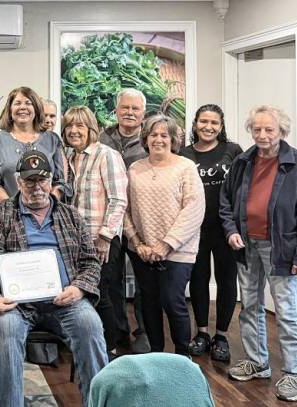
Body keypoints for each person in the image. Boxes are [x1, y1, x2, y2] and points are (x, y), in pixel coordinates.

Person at [0, 150, 107, 406]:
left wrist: (79, 288)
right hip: (17, 304)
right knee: (5, 329)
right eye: (29, 181)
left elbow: (91, 262)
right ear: (18, 181)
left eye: (42, 180)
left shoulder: (71, 215)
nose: (37, 187)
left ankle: (98, 403)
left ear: (51, 181)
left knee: (90, 325)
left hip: (65, 300)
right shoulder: (1, 213)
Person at [221, 105, 297, 402]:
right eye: (257, 129)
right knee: (250, 304)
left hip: (282, 249)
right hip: (246, 244)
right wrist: (231, 230)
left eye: (269, 130)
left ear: (282, 132)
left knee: (287, 312)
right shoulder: (242, 161)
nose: (262, 135)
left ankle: (293, 373)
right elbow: (226, 201)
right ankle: (257, 361)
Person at [122, 114, 204, 356]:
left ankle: (182, 355)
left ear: (173, 139)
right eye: (153, 135)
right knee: (149, 302)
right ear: (145, 139)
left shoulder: (185, 167)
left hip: (178, 250)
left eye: (164, 135)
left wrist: (166, 245)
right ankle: (156, 353)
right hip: (143, 250)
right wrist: (137, 243)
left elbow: (194, 208)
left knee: (172, 300)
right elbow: (125, 209)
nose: (158, 139)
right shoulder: (135, 169)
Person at [61, 106, 128, 359]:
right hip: (76, 240)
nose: (74, 131)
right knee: (84, 294)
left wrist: (105, 237)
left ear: (92, 129)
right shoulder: (68, 157)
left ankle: (108, 350)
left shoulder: (106, 155)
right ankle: (89, 347)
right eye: (69, 126)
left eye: (80, 126)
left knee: (103, 294)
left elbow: (119, 200)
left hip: (101, 239)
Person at [179, 104, 243, 362]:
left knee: (228, 281)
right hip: (195, 228)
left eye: (214, 123)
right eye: (204, 121)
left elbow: (242, 188)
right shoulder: (184, 154)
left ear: (221, 125)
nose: (208, 127)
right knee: (198, 280)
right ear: (195, 124)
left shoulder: (233, 151)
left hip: (226, 228)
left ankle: (222, 336)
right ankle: (202, 333)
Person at [99, 87, 151, 354]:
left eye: (135, 109)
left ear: (143, 113)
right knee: (112, 279)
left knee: (143, 280)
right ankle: (118, 331)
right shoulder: (102, 137)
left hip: (142, 219)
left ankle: (144, 332)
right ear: (116, 110)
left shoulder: (150, 139)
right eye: (125, 108)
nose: (129, 113)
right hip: (111, 219)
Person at [0, 87, 65, 205]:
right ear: (10, 109)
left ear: (36, 108)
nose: (23, 107)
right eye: (17, 103)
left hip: (46, 217)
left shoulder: (52, 139)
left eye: (28, 103)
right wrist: (15, 210)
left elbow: (60, 183)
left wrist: (45, 207)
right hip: (8, 215)